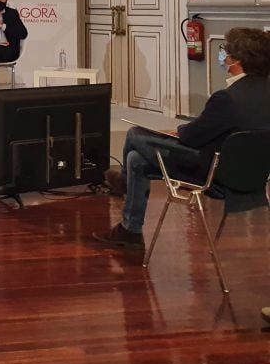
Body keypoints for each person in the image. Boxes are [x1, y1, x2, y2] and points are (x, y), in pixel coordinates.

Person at [93, 27, 270, 249]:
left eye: (225, 50)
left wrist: (180, 131)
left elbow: (192, 138)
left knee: (135, 135)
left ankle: (124, 186)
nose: (222, 54)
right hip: (254, 176)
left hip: (213, 175)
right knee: (136, 160)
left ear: (237, 60)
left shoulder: (226, 98)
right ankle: (130, 232)